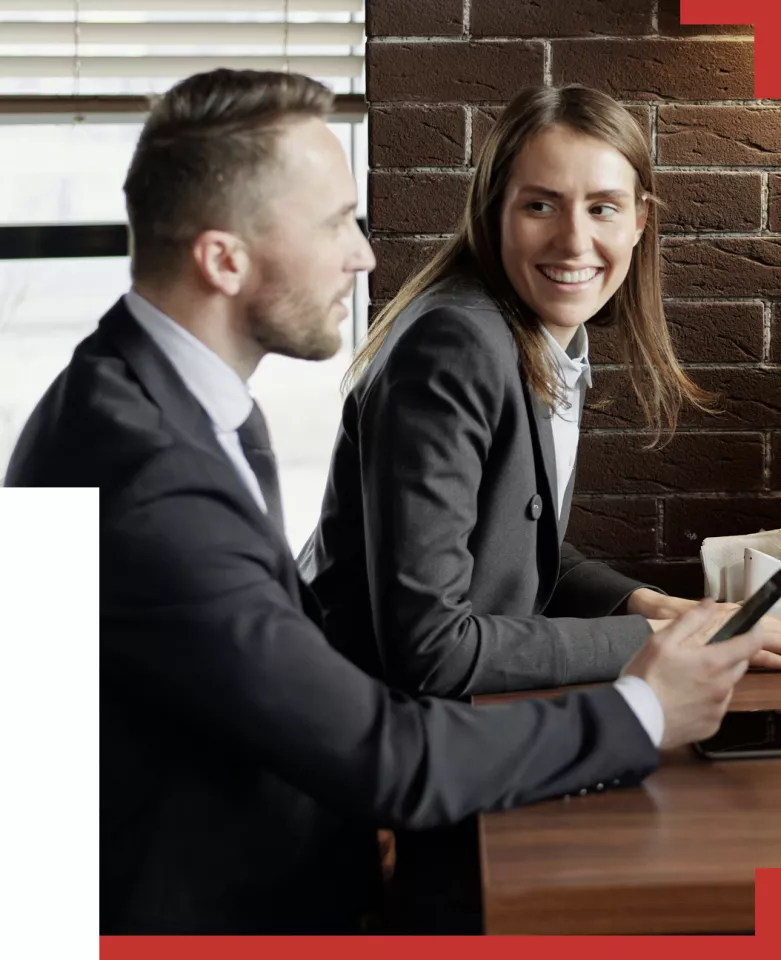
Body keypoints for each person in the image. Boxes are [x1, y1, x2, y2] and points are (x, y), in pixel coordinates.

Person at [3, 71, 766, 935]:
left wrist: (650, 616)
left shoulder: (153, 399)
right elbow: (386, 755)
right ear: (223, 258)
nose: (364, 254)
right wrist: (647, 707)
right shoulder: (148, 475)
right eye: (334, 222)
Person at [300, 84, 781, 700]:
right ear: (493, 211)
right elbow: (429, 650)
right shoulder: (457, 343)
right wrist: (659, 642)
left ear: (640, 221)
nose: (575, 241)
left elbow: (515, 547)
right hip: (361, 739)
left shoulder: (535, 335)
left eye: (602, 208)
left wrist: (663, 610)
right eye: (541, 207)